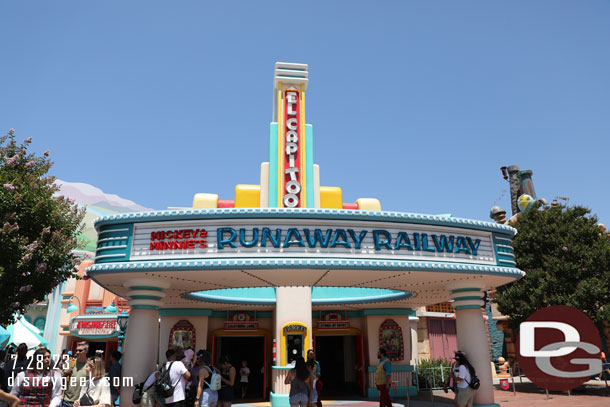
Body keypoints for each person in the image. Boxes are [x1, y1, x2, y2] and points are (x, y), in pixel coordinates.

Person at [62, 342, 90, 407]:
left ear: (86, 351)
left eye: (80, 350)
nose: (77, 352)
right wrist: (64, 374)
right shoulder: (70, 363)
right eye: (76, 350)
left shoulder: (89, 365)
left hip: (80, 402)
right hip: (66, 400)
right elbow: (59, 381)